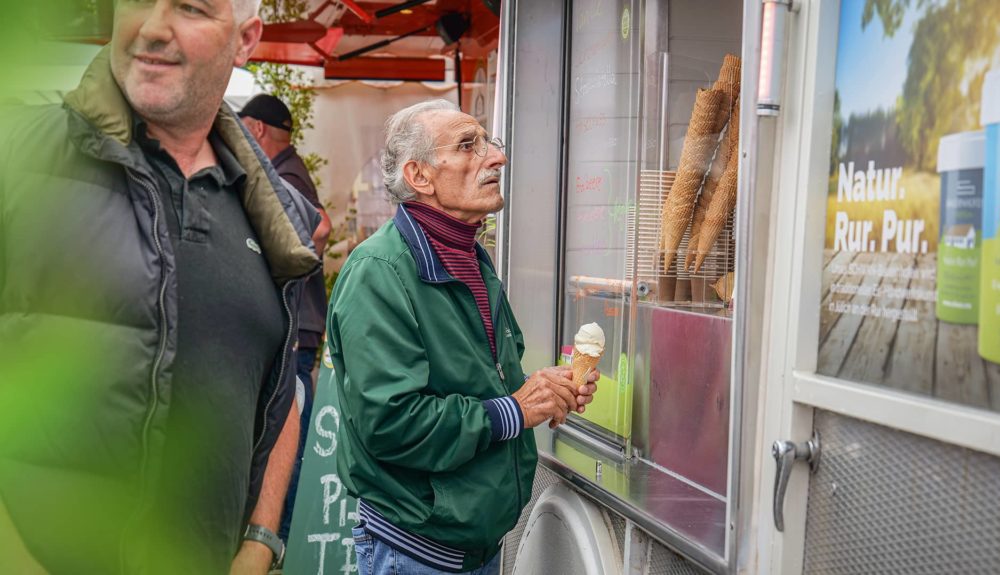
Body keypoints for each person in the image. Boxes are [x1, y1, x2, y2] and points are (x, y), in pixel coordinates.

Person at [0, 0, 321, 573]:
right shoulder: (17, 157)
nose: (151, 28)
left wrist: (261, 539)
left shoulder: (280, 214)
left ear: (245, 40)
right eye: (138, 2)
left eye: (190, 8)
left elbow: (276, 381)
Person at [326, 99, 600, 575]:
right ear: (420, 176)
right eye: (469, 146)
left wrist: (545, 390)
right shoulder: (379, 272)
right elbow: (390, 423)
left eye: (489, 142)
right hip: (415, 552)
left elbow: (486, 379)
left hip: (471, 547)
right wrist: (516, 409)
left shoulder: (470, 257)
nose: (496, 157)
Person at [239, 93, 332, 543]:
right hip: (302, 326)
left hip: (298, 329)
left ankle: (282, 541)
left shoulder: (283, 173)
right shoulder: (289, 169)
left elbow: (321, 227)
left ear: (255, 129)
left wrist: (282, 270)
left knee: (284, 438)